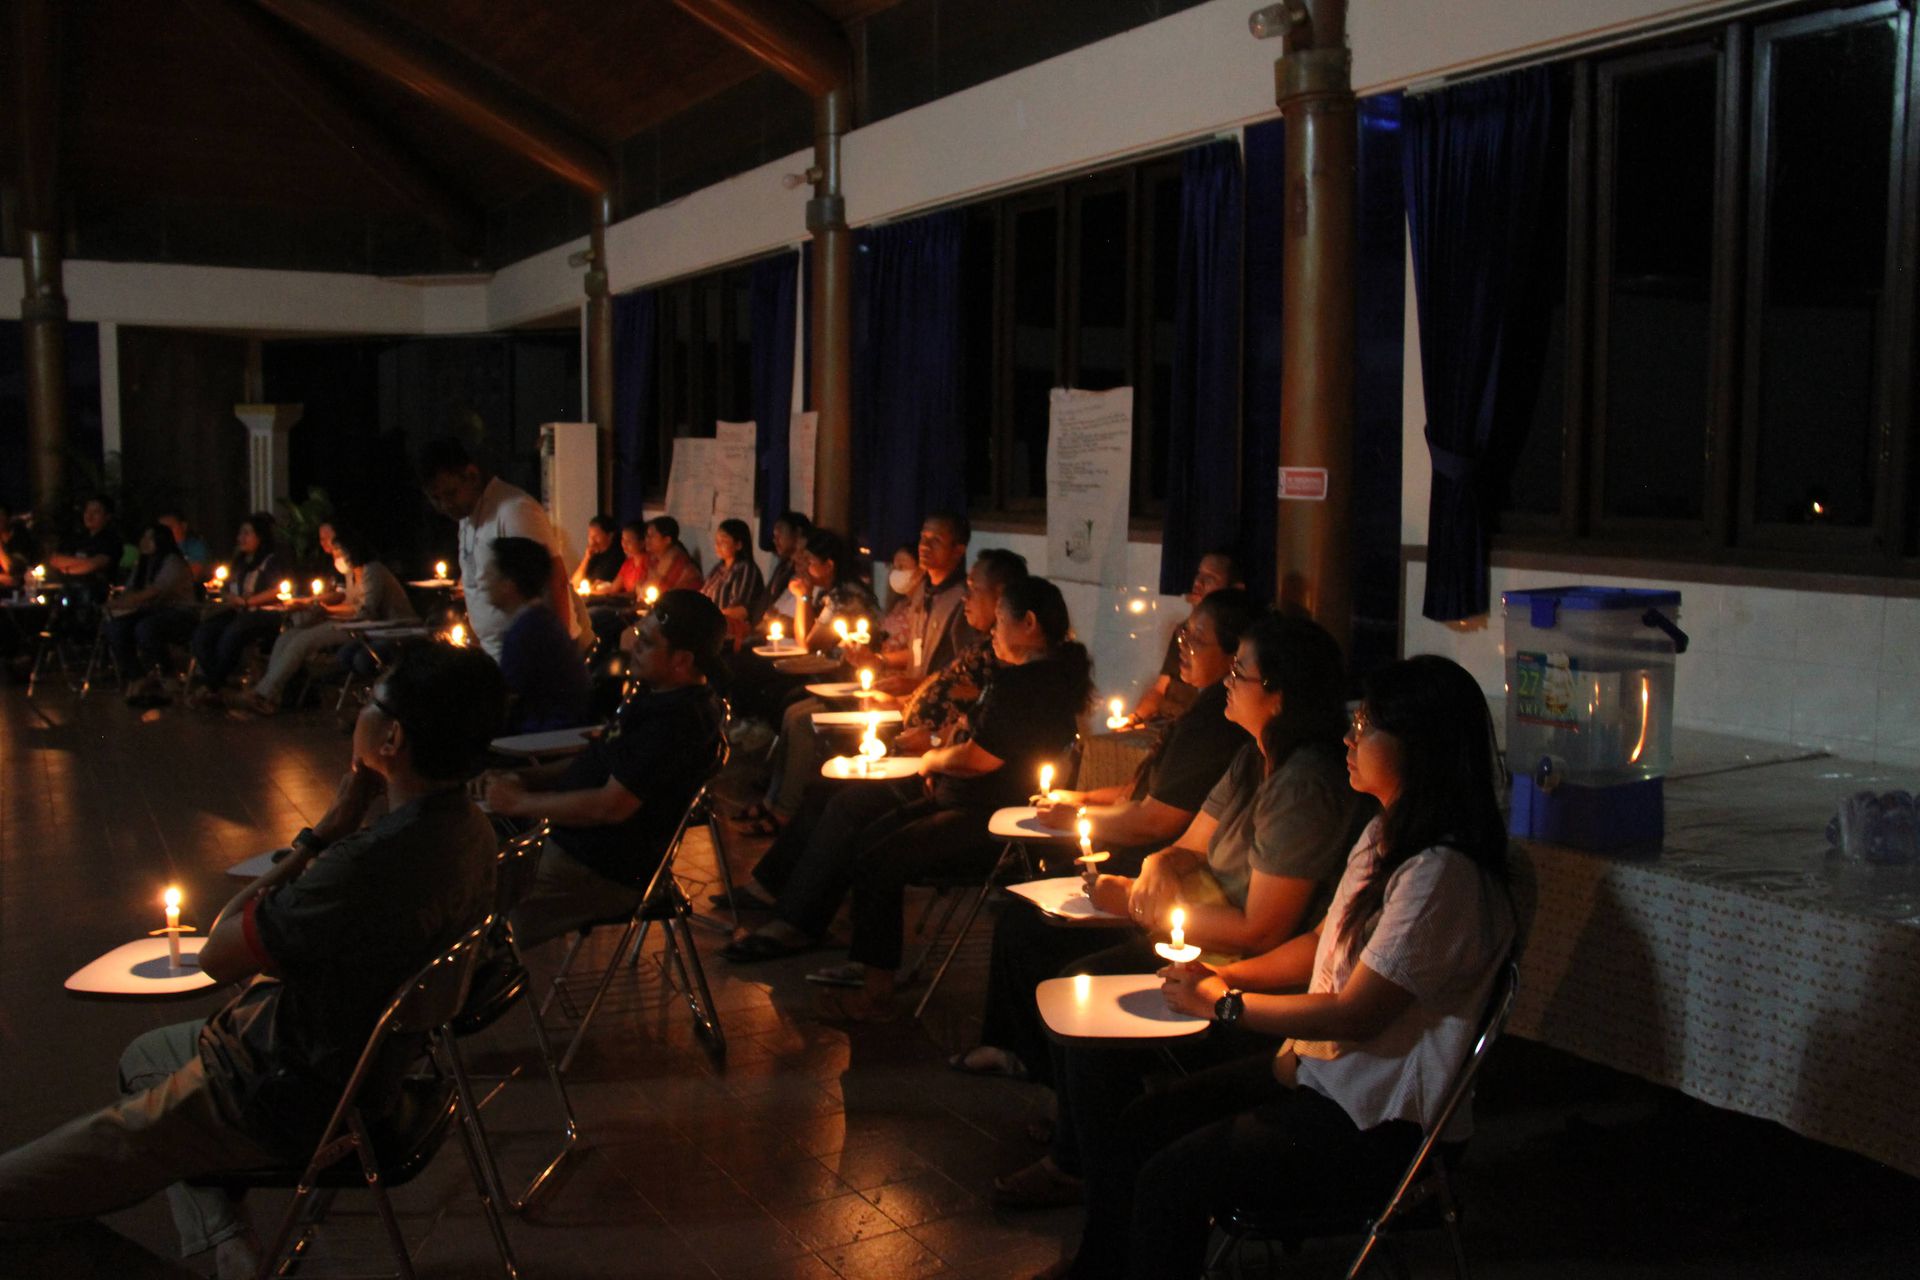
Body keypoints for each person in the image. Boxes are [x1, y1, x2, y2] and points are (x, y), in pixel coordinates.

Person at [0, 645, 506, 1278]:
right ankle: (230, 1244)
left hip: (279, 1092)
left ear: (393, 738)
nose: (361, 710)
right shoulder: (473, 832)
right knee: (144, 1056)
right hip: (374, 1072)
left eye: (372, 699)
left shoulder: (362, 868)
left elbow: (217, 955)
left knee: (16, 1198)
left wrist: (322, 833)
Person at [1038, 655, 1517, 1280]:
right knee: (1140, 1127)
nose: (1349, 739)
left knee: (1170, 1177)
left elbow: (1356, 1013)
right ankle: (1099, 1268)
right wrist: (1224, 979)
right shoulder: (1385, 834)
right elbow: (1321, 942)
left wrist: (1224, 1005)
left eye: (1366, 725)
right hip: (1321, 1076)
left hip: (1378, 1122)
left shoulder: (1441, 876)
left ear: (1418, 745)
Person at [991, 613, 1367, 1211]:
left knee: (1081, 995)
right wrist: (1158, 866)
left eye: (1240, 672)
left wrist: (1142, 907)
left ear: (1278, 694)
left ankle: (1087, 1166)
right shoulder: (1253, 760)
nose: (1227, 683)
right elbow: (1187, 844)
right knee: (1066, 973)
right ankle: (1086, 1144)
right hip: (1198, 937)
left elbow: (1262, 930)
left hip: (1244, 972)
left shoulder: (1305, 785)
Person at [726, 576, 1090, 1023]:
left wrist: (932, 759)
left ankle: (875, 992)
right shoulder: (1037, 678)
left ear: (1029, 623)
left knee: (879, 858)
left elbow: (980, 758)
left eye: (1000, 620)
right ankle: (866, 961)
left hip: (991, 818)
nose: (994, 630)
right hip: (971, 800)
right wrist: (941, 753)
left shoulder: (1028, 684)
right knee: (866, 837)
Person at [953, 588, 1261, 1082]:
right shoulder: (1209, 714)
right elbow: (1144, 796)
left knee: (1027, 927)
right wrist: (1081, 800)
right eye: (1183, 635)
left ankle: (1033, 1059)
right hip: (1154, 867)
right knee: (1021, 912)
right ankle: (1019, 1049)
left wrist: (1082, 823)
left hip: (1160, 881)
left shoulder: (1219, 729)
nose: (1182, 646)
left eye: (1197, 640)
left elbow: (1157, 822)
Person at [483, 590, 728, 946]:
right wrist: (524, 778)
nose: (633, 646)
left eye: (647, 642)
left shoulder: (678, 721)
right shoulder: (654, 693)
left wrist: (518, 802)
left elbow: (611, 806)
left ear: (681, 660)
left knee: (467, 906)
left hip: (598, 870)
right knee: (467, 864)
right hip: (570, 845)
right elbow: (601, 758)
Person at [419, 437, 583, 660]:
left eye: (451, 494)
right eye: (436, 499)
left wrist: (555, 654)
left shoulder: (514, 510)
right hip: (500, 652)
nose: (445, 506)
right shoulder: (467, 516)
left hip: (534, 653)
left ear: (472, 475)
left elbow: (554, 581)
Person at [246, 529, 414, 714]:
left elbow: (366, 611)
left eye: (339, 552)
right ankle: (271, 694)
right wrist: (323, 610)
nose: (336, 556)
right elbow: (351, 604)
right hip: (353, 623)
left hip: (376, 628)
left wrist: (327, 611)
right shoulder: (353, 574)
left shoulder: (373, 571)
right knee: (287, 636)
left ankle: (264, 694)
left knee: (304, 640)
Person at [843, 512, 976, 694]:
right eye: (923, 538)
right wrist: (879, 660)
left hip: (937, 700)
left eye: (936, 540)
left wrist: (916, 685)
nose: (925, 546)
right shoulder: (922, 591)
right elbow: (919, 651)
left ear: (958, 551)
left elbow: (967, 674)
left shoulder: (964, 601)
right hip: (910, 698)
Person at [484, 535, 591, 733]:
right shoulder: (539, 621)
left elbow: (506, 698)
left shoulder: (528, 632)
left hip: (547, 735)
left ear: (509, 584)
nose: (484, 582)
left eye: (491, 574)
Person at [187, 513, 289, 708]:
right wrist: (229, 597)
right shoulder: (240, 562)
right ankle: (218, 684)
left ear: (260, 537)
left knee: (232, 634)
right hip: (238, 611)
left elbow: (276, 590)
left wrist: (247, 601)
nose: (240, 538)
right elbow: (227, 588)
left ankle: (212, 687)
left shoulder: (271, 561)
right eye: (240, 533)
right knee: (203, 633)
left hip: (263, 613)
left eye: (246, 533)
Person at [1130, 549, 1243, 725]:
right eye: (1199, 575)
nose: (1198, 583)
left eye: (1210, 578)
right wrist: (1133, 719)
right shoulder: (1182, 633)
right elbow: (1160, 689)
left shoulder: (1237, 641)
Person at [105, 522, 199, 700]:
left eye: (150, 538)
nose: (143, 541)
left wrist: (120, 603)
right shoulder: (143, 564)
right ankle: (137, 675)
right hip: (150, 611)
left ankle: (167, 671)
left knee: (146, 628)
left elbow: (154, 591)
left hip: (178, 613)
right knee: (116, 628)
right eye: (144, 537)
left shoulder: (173, 562)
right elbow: (132, 590)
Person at [44, 495, 127, 603]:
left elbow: (95, 564)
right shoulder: (77, 537)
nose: (89, 516)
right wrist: (83, 563)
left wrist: (67, 569)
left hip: (96, 593)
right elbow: (55, 559)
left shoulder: (111, 540)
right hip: (67, 590)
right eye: (87, 511)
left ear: (107, 516)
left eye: (96, 512)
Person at [701, 516, 766, 647]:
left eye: (723, 541)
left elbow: (741, 610)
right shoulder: (719, 568)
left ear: (738, 545)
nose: (717, 545)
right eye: (716, 541)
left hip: (729, 628)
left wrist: (711, 615)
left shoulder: (746, 569)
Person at [754, 510, 811, 623]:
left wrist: (805, 597)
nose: (775, 541)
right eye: (774, 536)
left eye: (779, 535)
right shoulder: (783, 567)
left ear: (798, 533)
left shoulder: (806, 579)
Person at [642, 516, 704, 595]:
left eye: (652, 536)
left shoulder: (679, 563)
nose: (647, 539)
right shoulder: (652, 559)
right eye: (647, 535)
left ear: (667, 540)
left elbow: (664, 592)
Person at [570, 514, 625, 591]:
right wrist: (586, 558)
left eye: (596, 536)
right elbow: (574, 583)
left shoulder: (617, 556)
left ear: (610, 536)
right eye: (590, 536)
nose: (592, 541)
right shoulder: (593, 554)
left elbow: (600, 581)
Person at [157, 511, 214, 583]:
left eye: (170, 527)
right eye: (161, 529)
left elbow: (191, 577)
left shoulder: (194, 547)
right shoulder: (157, 549)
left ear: (183, 526)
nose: (165, 532)